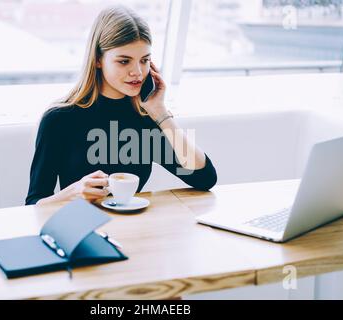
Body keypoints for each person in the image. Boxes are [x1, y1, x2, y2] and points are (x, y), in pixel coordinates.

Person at [25, 5, 217, 206]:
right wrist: (73, 193)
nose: (138, 72)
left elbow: (204, 178)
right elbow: (33, 205)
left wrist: (161, 113)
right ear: (98, 60)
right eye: (124, 61)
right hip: (81, 230)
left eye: (144, 60)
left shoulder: (147, 118)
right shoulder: (59, 119)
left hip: (133, 230)